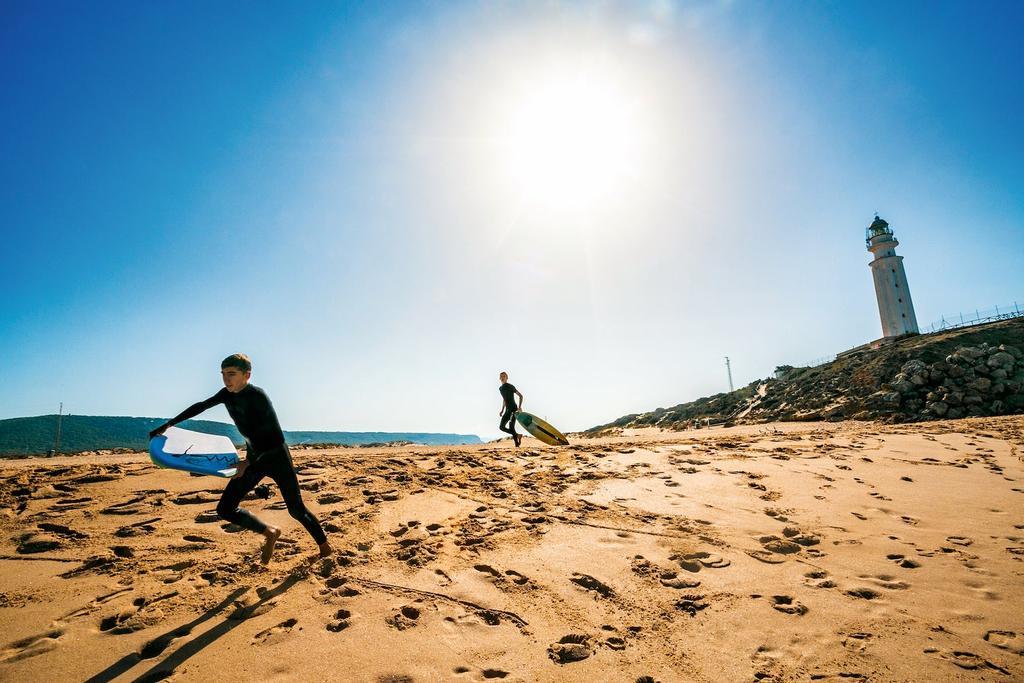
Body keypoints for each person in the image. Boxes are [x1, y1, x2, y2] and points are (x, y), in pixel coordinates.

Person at [149, 354, 332, 564]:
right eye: (223, 374)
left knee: (296, 509)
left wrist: (247, 462)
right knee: (225, 508)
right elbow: (201, 406)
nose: (226, 379)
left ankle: (325, 549)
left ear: (247, 375)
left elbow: (273, 437)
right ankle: (270, 532)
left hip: (276, 456)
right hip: (254, 457)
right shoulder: (227, 394)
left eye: (232, 374)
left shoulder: (257, 396)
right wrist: (169, 424)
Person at [498, 371, 524, 447]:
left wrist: (519, 407)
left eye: (504, 376)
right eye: (501, 376)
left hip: (513, 409)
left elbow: (521, 396)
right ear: (499, 378)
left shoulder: (510, 386)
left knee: (511, 427)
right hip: (507, 410)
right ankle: (517, 435)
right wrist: (502, 410)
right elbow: (504, 399)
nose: (502, 378)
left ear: (507, 378)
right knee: (501, 427)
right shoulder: (500, 388)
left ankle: (517, 446)